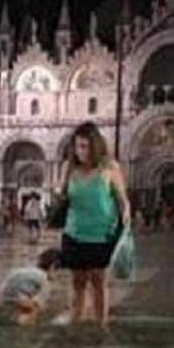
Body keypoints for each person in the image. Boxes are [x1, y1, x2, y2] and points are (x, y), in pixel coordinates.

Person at [57, 122, 131, 328]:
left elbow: (122, 199)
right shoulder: (69, 167)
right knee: (77, 281)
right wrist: (59, 192)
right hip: (74, 232)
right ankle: (76, 322)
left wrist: (126, 219)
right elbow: (61, 195)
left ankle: (101, 325)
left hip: (101, 234)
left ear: (96, 146)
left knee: (99, 281)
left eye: (87, 146)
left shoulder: (110, 168)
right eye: (79, 146)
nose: (82, 152)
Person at [2, 248, 64, 325]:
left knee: (25, 302)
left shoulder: (32, 270)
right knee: (34, 309)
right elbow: (39, 303)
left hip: (5, 290)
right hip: (18, 293)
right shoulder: (44, 279)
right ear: (52, 267)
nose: (58, 276)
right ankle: (24, 324)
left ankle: (16, 317)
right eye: (58, 272)